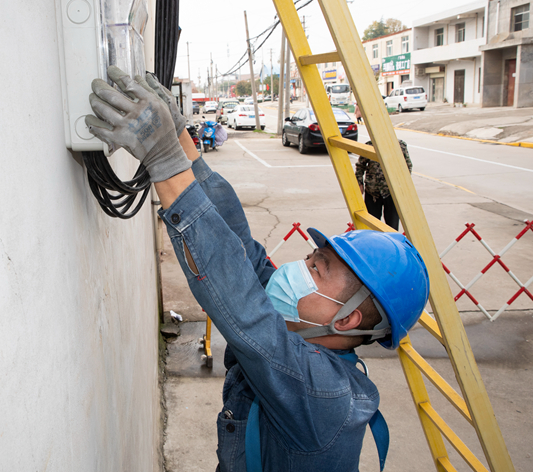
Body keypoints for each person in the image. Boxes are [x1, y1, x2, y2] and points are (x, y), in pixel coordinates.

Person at [86, 66, 429, 471]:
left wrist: (163, 162)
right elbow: (241, 254)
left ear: (347, 318)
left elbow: (242, 305)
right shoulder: (303, 325)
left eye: (317, 270)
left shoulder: (321, 394)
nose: (299, 268)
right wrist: (180, 141)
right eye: (311, 258)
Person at [355, 140, 412, 231]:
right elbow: (360, 166)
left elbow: (408, 166)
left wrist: (402, 186)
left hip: (392, 192)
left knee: (392, 227)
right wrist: (359, 182)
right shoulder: (369, 145)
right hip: (372, 192)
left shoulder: (400, 145)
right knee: (371, 226)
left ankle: (390, 245)